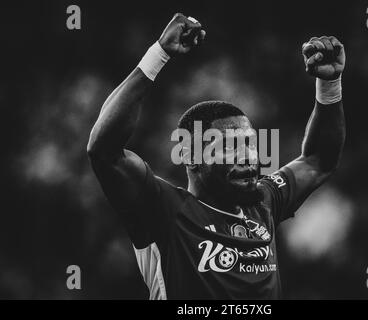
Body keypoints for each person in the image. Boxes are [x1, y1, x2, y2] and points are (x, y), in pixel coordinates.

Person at [87, 13, 346, 299]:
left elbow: (319, 160)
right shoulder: (163, 210)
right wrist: (157, 54)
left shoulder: (264, 202)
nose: (248, 157)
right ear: (191, 155)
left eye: (250, 144)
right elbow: (104, 151)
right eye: (231, 146)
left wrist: (330, 84)